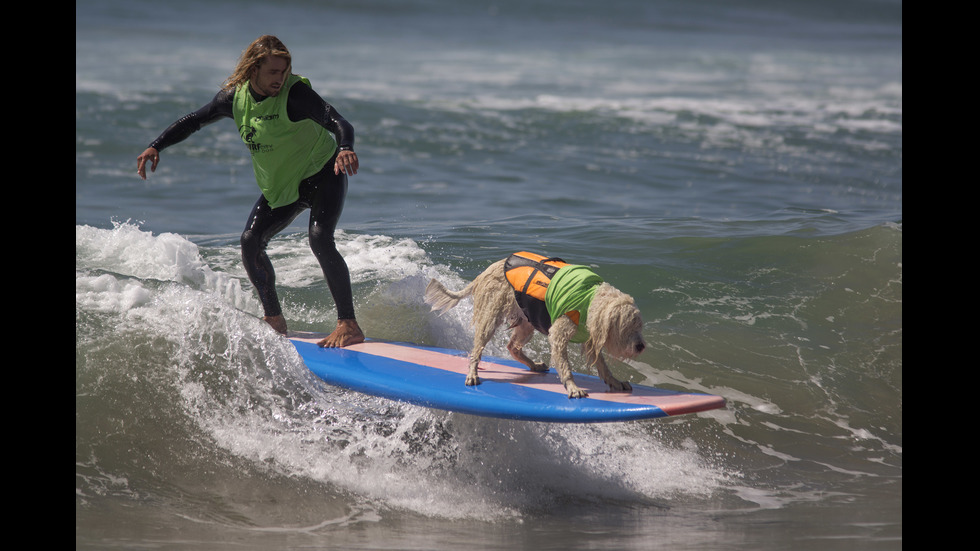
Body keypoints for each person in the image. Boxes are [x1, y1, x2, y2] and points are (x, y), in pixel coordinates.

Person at [137, 35, 365, 348]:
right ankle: (274, 319)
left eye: (284, 72)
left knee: (320, 238)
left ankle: (348, 324)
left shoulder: (295, 94)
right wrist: (156, 145)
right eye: (273, 72)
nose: (280, 79)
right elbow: (195, 120)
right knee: (250, 242)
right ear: (253, 69)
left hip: (324, 172)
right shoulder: (234, 98)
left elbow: (338, 121)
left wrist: (345, 147)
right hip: (284, 185)